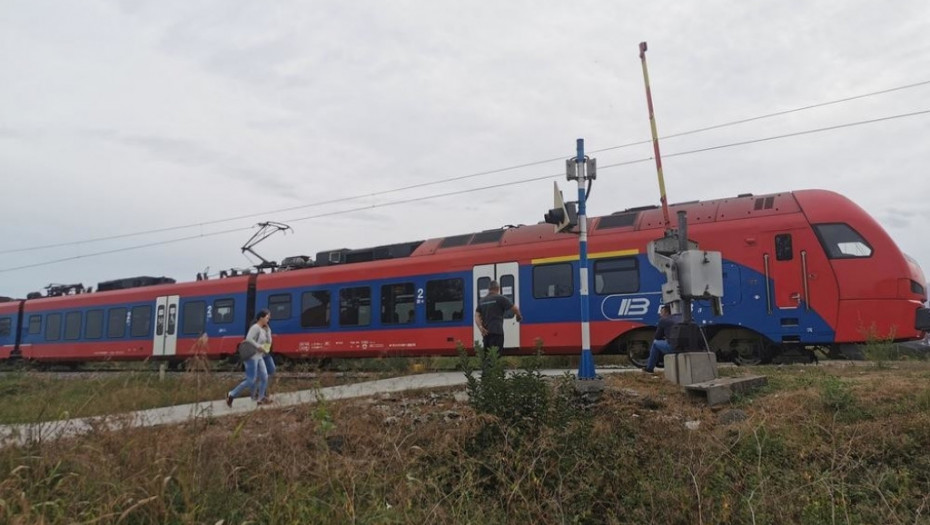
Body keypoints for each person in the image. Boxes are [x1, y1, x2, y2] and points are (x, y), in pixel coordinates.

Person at [226, 309, 271, 406]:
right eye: (267, 318)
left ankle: (260, 398)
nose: (268, 320)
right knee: (251, 380)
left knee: (264, 377)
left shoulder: (264, 330)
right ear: (261, 318)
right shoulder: (255, 328)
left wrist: (268, 331)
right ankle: (231, 394)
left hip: (259, 357)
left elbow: (268, 343)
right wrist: (258, 346)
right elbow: (249, 339)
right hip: (251, 357)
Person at [475, 280, 523, 353]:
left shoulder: (482, 301)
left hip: (486, 333)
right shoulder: (501, 298)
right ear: (498, 288)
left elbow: (477, 316)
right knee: (496, 356)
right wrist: (518, 316)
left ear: (489, 289)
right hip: (497, 332)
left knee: (487, 356)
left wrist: (481, 327)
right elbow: (515, 309)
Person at [644, 304, 676, 373]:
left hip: (673, 347)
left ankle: (649, 368)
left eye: (661, 312)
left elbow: (657, 337)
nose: (660, 315)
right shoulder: (679, 318)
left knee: (655, 343)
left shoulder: (663, 320)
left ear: (666, 313)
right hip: (685, 347)